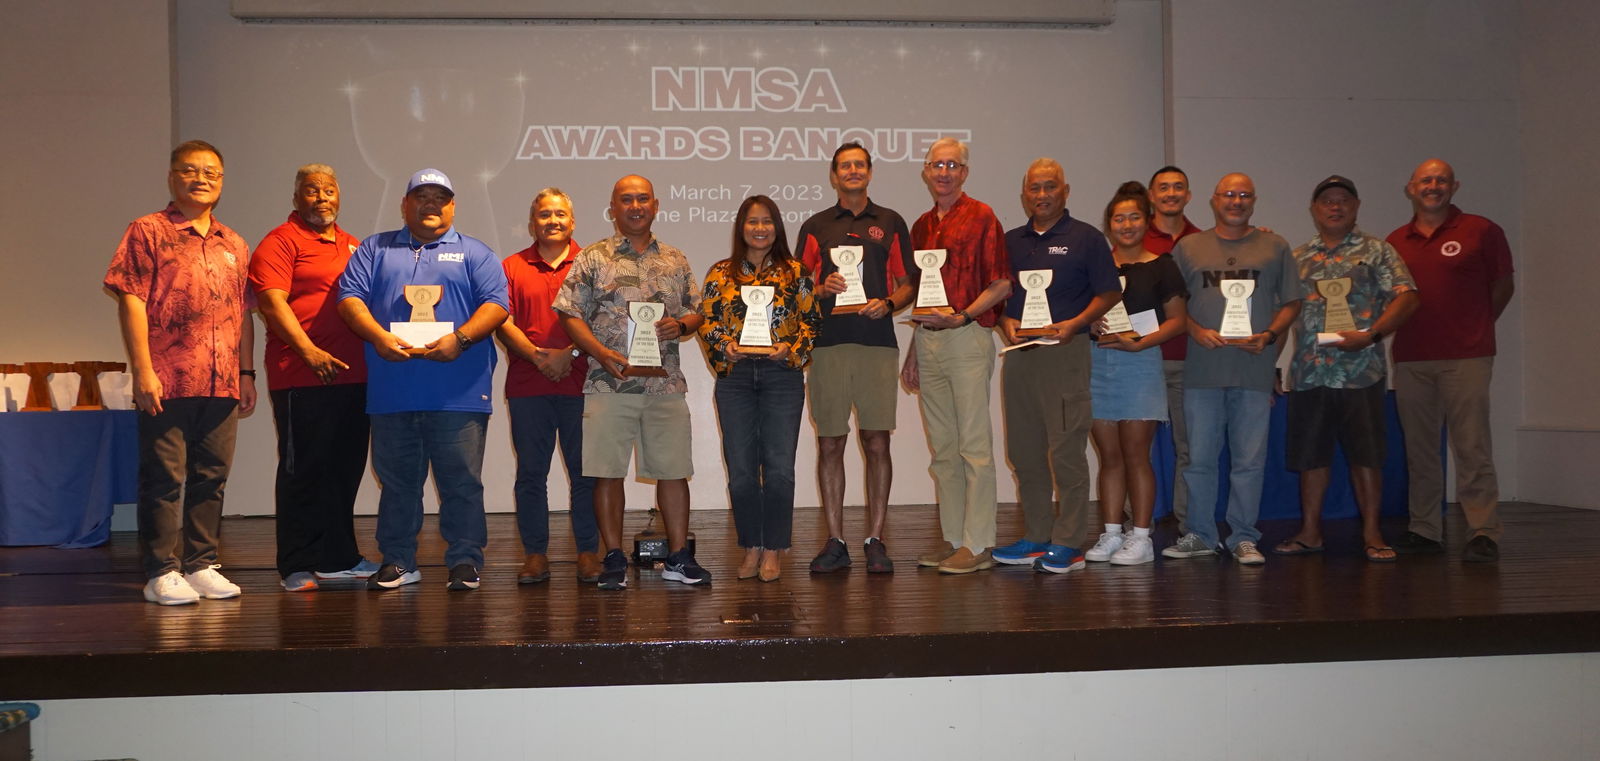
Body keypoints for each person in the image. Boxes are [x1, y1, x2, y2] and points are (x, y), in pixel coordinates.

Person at [336, 168, 509, 591]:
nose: (430, 205)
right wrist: (379, 337)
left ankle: (465, 560)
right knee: (397, 484)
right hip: (393, 391)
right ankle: (398, 560)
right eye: (421, 197)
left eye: (440, 198)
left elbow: (497, 304)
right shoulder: (375, 250)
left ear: (452, 206)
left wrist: (461, 339)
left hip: (459, 392)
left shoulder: (475, 252)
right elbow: (349, 298)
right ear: (405, 204)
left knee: (462, 484)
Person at [105, 139, 256, 605]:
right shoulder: (147, 231)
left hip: (222, 380)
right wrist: (143, 370)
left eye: (211, 172)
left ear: (222, 182)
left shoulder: (234, 242)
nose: (201, 179)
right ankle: (161, 570)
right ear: (173, 177)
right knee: (164, 477)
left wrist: (246, 372)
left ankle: (202, 563)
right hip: (167, 378)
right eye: (190, 171)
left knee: (212, 475)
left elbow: (243, 312)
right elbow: (130, 299)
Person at [555, 175, 709, 590]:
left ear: (655, 205)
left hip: (665, 386)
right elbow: (569, 313)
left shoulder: (675, 259)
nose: (636, 206)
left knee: (674, 471)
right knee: (607, 473)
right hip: (608, 382)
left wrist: (681, 324)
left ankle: (679, 557)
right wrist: (599, 353)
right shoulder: (591, 258)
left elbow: (698, 310)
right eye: (627, 200)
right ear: (613, 208)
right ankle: (613, 558)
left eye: (643, 199)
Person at [1275, 176, 1418, 562]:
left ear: (1356, 206)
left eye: (1343, 201)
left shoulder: (1378, 251)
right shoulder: (1298, 257)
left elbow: (1407, 297)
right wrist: (1269, 363)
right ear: (1314, 209)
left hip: (1361, 371)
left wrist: (1372, 335)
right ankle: (1310, 532)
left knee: (1366, 455)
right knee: (1310, 457)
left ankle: (1372, 534)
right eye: (1327, 201)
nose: (1335, 207)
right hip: (1309, 372)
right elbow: (1284, 314)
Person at [249, 163, 377, 592]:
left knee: (344, 469)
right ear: (296, 198)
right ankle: (296, 562)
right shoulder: (280, 242)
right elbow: (271, 303)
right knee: (302, 470)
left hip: (354, 376)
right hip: (301, 376)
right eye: (311, 191)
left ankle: (339, 556)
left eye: (328, 190)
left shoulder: (353, 244)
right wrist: (308, 352)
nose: (321, 198)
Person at [990, 159, 1121, 574]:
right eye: (1034, 188)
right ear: (1023, 193)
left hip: (1065, 355)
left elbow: (1109, 292)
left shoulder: (1086, 238)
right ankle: (1036, 535)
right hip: (1020, 357)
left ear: (1065, 190)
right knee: (1024, 452)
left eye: (1049, 187)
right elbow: (998, 296)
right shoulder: (1010, 241)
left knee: (1065, 450)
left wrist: (1076, 323)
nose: (1041, 195)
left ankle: (1069, 543)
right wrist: (1003, 320)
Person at [1164, 173, 1302, 566]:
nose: (1236, 201)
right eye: (1229, 194)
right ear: (1214, 200)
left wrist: (1272, 335)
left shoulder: (1275, 246)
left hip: (1253, 371)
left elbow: (1291, 302)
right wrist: (1196, 329)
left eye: (1244, 195)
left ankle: (1244, 536)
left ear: (1254, 201)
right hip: (1202, 372)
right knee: (1200, 460)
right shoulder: (1189, 247)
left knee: (1248, 461)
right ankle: (1201, 534)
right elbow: (1172, 304)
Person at [1386, 159, 1515, 563]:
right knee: (1420, 449)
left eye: (1441, 180)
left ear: (1454, 186)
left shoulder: (1482, 230)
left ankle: (1483, 530)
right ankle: (1425, 529)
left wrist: (1473, 326)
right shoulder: (1395, 241)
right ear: (1410, 188)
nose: (1433, 186)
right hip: (1411, 358)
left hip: (1467, 356)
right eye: (1426, 180)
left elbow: (1503, 286)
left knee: (1472, 445)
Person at [795, 142, 914, 574]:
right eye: (844, 166)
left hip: (877, 344)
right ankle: (835, 540)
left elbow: (907, 284)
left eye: (859, 165)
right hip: (827, 345)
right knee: (830, 442)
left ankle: (876, 539)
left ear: (870, 172)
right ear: (833, 175)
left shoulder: (891, 222)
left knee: (877, 441)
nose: (852, 171)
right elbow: (797, 288)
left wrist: (888, 303)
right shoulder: (816, 226)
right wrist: (820, 289)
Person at [900, 137, 1012, 574]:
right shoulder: (922, 226)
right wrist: (913, 350)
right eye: (936, 165)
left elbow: (1002, 283)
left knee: (974, 448)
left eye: (952, 165)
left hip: (966, 338)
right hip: (928, 340)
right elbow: (924, 297)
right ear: (925, 172)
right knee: (943, 449)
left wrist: (963, 316)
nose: (943, 172)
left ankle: (980, 543)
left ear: (964, 173)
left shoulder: (982, 216)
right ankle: (954, 540)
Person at [698, 195, 820, 582]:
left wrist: (791, 349)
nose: (760, 228)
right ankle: (750, 545)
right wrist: (725, 346)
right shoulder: (721, 272)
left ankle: (774, 549)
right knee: (741, 471)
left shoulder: (796, 272)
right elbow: (706, 320)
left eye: (767, 221)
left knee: (781, 469)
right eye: (752, 222)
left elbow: (811, 322)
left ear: (777, 226)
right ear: (741, 227)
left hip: (781, 376)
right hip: (735, 379)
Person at [496, 188, 601, 584]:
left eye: (560, 214)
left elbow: (605, 319)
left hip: (583, 383)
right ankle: (535, 554)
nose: (552, 221)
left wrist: (568, 354)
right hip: (527, 385)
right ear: (532, 222)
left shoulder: (593, 264)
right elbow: (500, 319)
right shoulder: (511, 266)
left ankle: (588, 552)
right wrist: (538, 355)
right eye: (544, 215)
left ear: (572, 222)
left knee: (585, 475)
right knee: (530, 475)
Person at [1083, 181, 1189, 566]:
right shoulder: (1095, 266)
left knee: (1136, 455)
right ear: (1109, 224)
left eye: (1133, 217)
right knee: (1108, 457)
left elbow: (1178, 322)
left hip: (1141, 364)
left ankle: (1142, 538)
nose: (1126, 224)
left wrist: (1140, 345)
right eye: (1118, 218)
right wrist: (1089, 325)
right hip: (1098, 364)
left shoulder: (1163, 265)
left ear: (1146, 221)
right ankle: (1113, 534)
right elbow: (1084, 313)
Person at [1144, 166, 1204, 528]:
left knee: (1190, 448)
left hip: (1190, 360)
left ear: (1188, 195)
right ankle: (1140, 524)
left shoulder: (1205, 241)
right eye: (1163, 188)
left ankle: (1188, 524)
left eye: (1178, 187)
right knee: (1138, 449)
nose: (1170, 193)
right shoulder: (1133, 240)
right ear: (1151, 196)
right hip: (1144, 360)